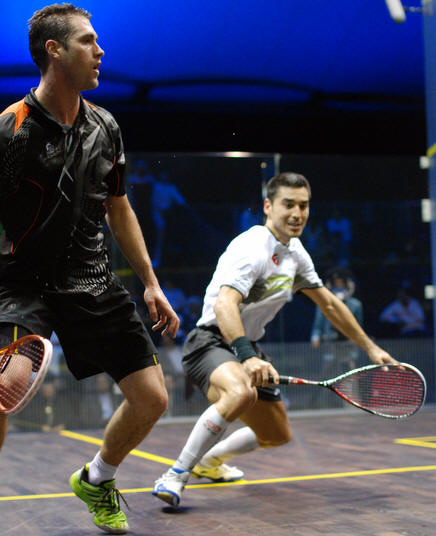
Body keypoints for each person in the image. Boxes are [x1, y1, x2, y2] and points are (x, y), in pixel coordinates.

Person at [0, 4, 179, 534]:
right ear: (54, 50)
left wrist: (150, 283)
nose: (100, 51)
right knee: (4, 388)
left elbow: (119, 208)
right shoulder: (11, 130)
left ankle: (97, 478)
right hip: (22, 285)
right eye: (88, 41)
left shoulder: (106, 126)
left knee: (152, 398)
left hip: (90, 280)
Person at [152, 172, 398, 508]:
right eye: (288, 204)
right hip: (210, 342)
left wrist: (371, 348)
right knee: (241, 393)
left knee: (276, 435)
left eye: (304, 206)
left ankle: (210, 461)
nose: (297, 213)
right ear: (268, 206)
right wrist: (246, 356)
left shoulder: (296, 253)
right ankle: (175, 475)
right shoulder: (251, 247)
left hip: (248, 347)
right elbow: (224, 304)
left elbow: (328, 304)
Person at [311, 267, 363, 370]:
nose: (339, 286)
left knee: (350, 372)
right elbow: (317, 326)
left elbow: (359, 327)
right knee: (328, 370)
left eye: (341, 283)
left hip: (348, 347)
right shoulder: (323, 304)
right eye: (336, 283)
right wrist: (315, 337)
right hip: (330, 346)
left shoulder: (355, 305)